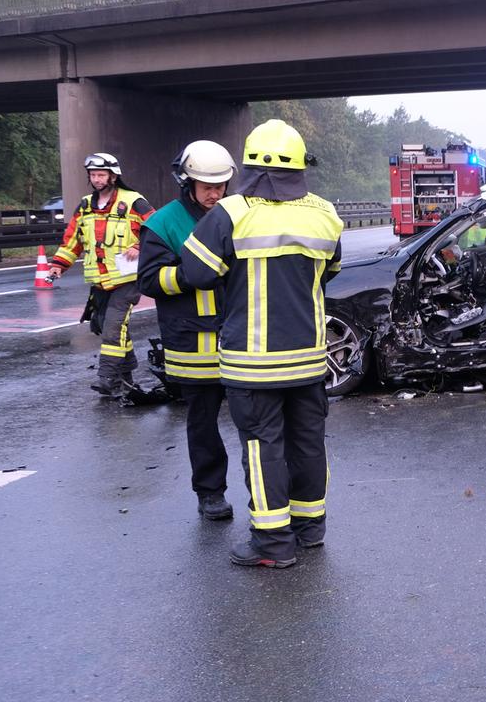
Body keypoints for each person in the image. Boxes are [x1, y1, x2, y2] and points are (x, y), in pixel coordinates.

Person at [180, 120, 343, 568]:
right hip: (309, 359)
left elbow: (195, 273)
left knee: (262, 446)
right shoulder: (326, 213)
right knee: (309, 442)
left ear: (249, 165)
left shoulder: (231, 212)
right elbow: (329, 272)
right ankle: (310, 529)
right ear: (300, 165)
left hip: (252, 364)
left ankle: (272, 544)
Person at [137, 141, 239, 521]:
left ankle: (266, 493)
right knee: (203, 422)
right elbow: (149, 280)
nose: (215, 193)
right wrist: (188, 275)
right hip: (193, 342)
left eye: (221, 185)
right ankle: (211, 492)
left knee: (256, 420)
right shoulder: (164, 223)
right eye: (206, 185)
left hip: (241, 336)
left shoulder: (237, 214)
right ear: (186, 181)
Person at [49, 153, 155, 397]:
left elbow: (157, 228)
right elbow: (72, 240)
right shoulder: (85, 206)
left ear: (113, 176)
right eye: (93, 175)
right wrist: (58, 265)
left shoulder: (133, 201)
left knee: (113, 327)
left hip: (127, 280)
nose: (96, 179)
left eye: (101, 175)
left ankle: (106, 377)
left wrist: (139, 246)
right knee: (107, 328)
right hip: (100, 283)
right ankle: (126, 377)